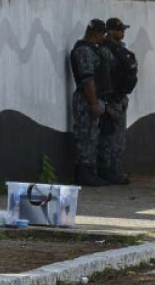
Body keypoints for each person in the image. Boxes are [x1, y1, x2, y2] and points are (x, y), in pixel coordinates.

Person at [69, 19, 112, 186]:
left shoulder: (92, 49)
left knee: (91, 136)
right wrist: (94, 103)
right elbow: (87, 80)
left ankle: (89, 172)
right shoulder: (84, 51)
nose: (104, 38)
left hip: (92, 98)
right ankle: (84, 174)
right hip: (85, 99)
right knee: (85, 136)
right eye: (103, 34)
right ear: (96, 34)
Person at [97, 18, 138, 185]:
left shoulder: (121, 50)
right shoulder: (104, 50)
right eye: (120, 29)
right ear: (111, 31)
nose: (123, 32)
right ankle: (107, 171)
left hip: (121, 97)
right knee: (108, 137)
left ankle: (113, 169)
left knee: (118, 138)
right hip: (110, 98)